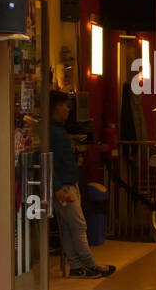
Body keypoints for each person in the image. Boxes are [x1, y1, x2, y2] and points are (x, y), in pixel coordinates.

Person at [49, 91, 114, 278]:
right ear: (57, 107)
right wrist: (57, 188)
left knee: (69, 228)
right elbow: (50, 162)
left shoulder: (58, 130)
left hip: (68, 185)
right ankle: (89, 264)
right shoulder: (53, 132)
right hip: (64, 187)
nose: (68, 109)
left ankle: (77, 266)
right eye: (65, 105)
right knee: (78, 226)